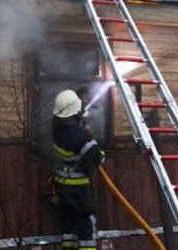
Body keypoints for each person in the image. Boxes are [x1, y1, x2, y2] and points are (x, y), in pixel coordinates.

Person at [52, 89, 105, 250]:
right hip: (79, 189)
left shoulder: (56, 128)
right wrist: (88, 132)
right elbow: (99, 158)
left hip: (62, 186)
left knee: (68, 225)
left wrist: (78, 120)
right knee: (86, 227)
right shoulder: (81, 136)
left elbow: (68, 127)